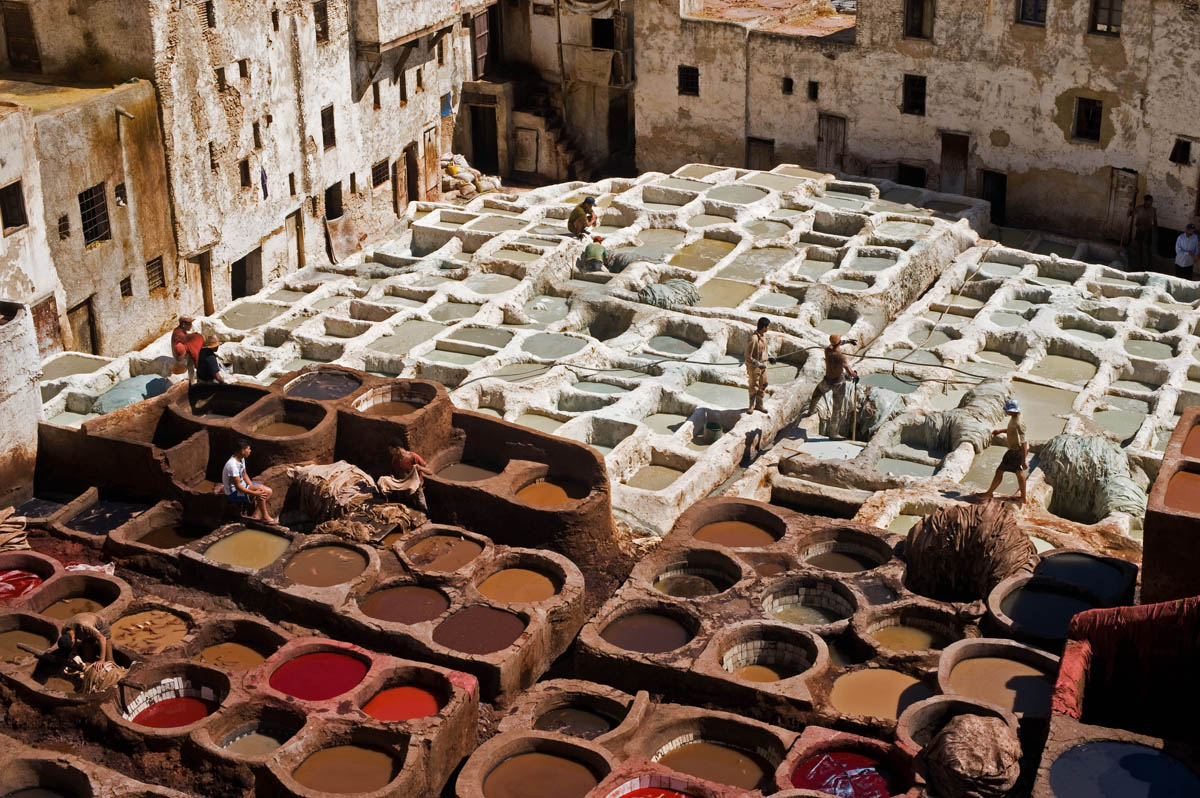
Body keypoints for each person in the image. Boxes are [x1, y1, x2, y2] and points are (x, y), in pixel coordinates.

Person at [981, 399, 1028, 504]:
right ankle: (1023, 497)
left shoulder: (1019, 423)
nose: (1006, 412)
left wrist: (1023, 460)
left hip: (1016, 452)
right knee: (1018, 473)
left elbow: (1024, 443)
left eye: (1007, 410)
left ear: (1012, 410)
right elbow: (1011, 430)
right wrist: (1000, 431)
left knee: (1001, 471)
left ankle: (989, 493)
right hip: (1014, 451)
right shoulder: (1015, 418)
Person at [222, 439, 278, 524]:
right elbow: (238, 487)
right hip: (233, 493)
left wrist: (252, 487)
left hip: (242, 486)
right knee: (261, 491)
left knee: (269, 491)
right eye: (248, 449)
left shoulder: (241, 459)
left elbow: (244, 474)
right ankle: (265, 517)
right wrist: (254, 493)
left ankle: (257, 516)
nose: (250, 451)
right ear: (242, 450)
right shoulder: (232, 465)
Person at [805, 334, 858, 417]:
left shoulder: (827, 351)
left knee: (816, 394)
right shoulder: (841, 357)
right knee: (837, 407)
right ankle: (833, 429)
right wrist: (856, 375)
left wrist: (848, 341)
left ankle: (811, 411)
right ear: (839, 342)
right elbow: (851, 372)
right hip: (838, 383)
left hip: (827, 380)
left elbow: (834, 344)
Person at [379, 438, 433, 513]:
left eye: (391, 450)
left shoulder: (413, 457)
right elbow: (393, 472)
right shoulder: (394, 460)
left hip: (416, 489)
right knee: (406, 507)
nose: (390, 452)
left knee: (422, 507)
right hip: (403, 489)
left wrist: (419, 467)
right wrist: (392, 477)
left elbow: (430, 472)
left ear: (397, 449)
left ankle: (428, 520)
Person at [745, 317, 777, 413]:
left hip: (763, 365)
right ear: (763, 327)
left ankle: (759, 405)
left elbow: (765, 350)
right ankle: (751, 406)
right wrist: (758, 364)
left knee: (763, 384)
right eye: (767, 326)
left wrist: (770, 356)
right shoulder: (754, 339)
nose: (768, 328)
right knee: (753, 386)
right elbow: (748, 356)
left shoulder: (763, 336)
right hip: (754, 367)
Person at [1126, 195, 1157, 272]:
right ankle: (1139, 265)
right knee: (1139, 247)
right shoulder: (1139, 208)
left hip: (1148, 230)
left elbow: (1155, 220)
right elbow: (1129, 215)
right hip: (1140, 230)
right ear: (1145, 201)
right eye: (1149, 201)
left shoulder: (1153, 210)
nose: (1151, 203)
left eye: (1151, 201)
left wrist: (1155, 229)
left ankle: (1149, 265)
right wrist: (1130, 208)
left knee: (1148, 248)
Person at [170, 316, 203, 383]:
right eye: (190, 324)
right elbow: (188, 342)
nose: (191, 325)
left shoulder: (179, 330)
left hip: (180, 353)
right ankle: (192, 381)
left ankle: (192, 380)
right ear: (183, 325)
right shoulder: (178, 333)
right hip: (179, 356)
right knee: (192, 355)